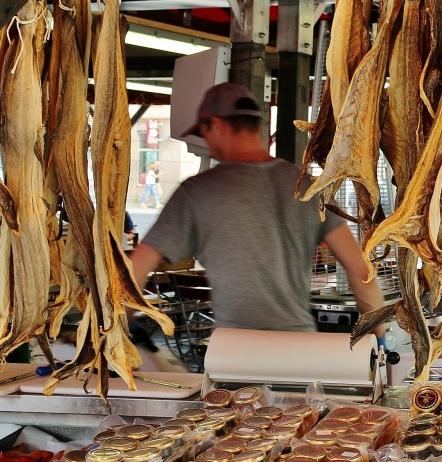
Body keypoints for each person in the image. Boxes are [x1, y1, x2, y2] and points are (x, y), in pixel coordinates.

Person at [129, 82, 384, 333]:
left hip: (235, 353)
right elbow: (361, 271)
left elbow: (139, 263)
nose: (205, 141)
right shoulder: (308, 186)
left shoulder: (197, 192)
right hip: (299, 352)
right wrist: (379, 342)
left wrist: (120, 328)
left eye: (203, 133)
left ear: (216, 125)